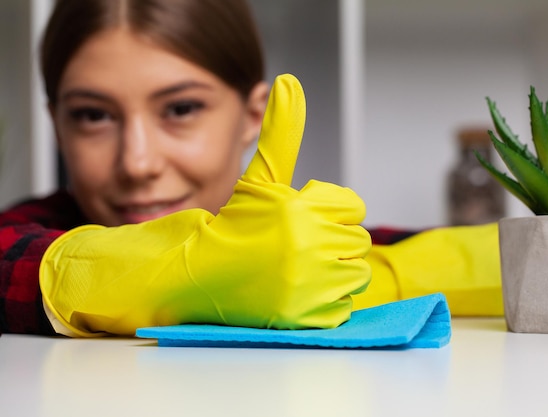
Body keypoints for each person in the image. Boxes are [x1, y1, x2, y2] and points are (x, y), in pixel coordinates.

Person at [0, 0, 502, 338]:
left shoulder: (293, 246)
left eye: (180, 110)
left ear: (253, 117)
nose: (137, 163)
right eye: (93, 116)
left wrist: (381, 273)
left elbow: (400, 250)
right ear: (56, 125)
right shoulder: (34, 230)